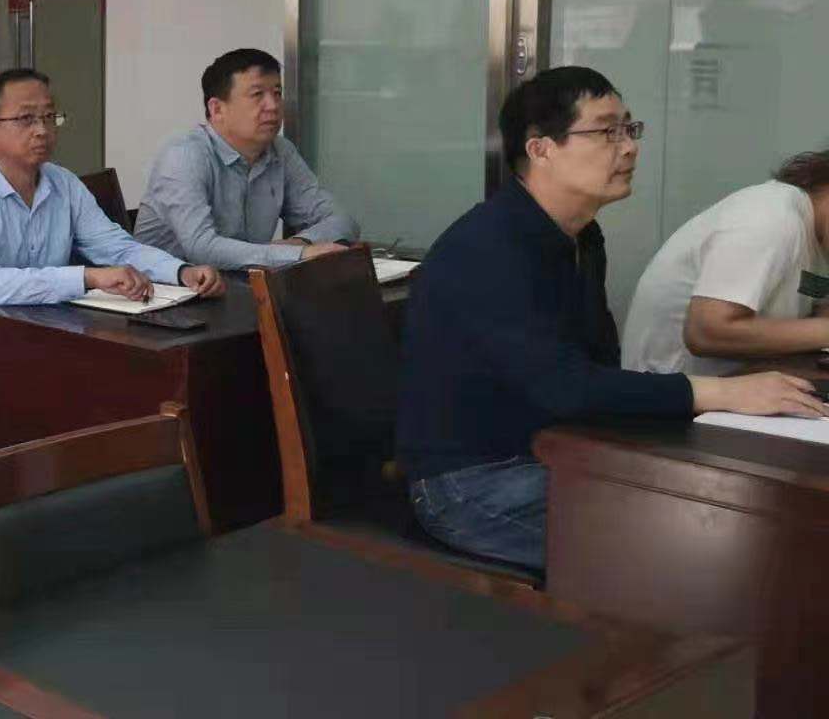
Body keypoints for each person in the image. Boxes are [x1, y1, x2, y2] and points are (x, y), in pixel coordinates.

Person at [398, 67, 828, 570]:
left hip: (556, 449)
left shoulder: (581, 236)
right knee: (711, 554)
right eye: (607, 131)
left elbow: (596, 364)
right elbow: (565, 387)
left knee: (741, 520)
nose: (629, 148)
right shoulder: (491, 246)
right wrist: (723, 393)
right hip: (474, 484)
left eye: (629, 129)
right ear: (541, 149)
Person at [0, 69, 226, 450]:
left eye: (49, 116)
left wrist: (181, 271)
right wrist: (88, 277)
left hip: (37, 339)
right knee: (46, 429)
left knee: (121, 404)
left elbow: (117, 247)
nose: (42, 130)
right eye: (26, 118)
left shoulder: (63, 183)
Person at [134, 48, 359, 268]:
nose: (273, 106)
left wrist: (300, 243)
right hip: (168, 288)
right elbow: (201, 248)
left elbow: (342, 220)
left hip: (241, 282)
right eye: (257, 95)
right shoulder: (183, 156)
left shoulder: (280, 151)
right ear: (217, 109)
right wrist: (297, 254)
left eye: (277, 93)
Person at [621, 150, 829, 375]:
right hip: (670, 386)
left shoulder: (818, 236)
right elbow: (706, 332)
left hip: (740, 382)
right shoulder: (771, 215)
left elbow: (810, 322)